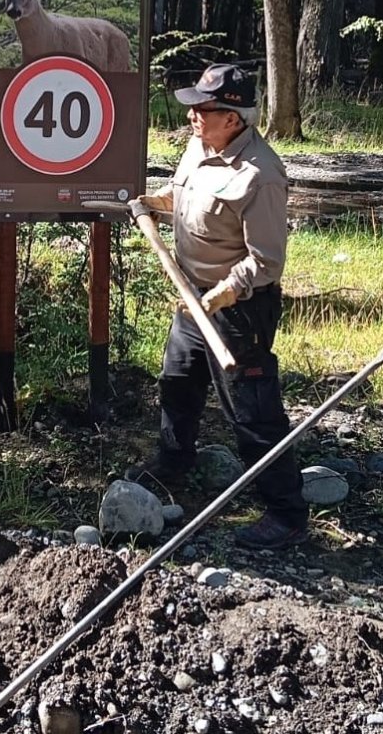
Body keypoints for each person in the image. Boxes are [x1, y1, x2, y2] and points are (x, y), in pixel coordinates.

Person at [126, 62, 308, 549]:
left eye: (203, 110)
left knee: (251, 410)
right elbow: (187, 197)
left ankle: (285, 511)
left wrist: (224, 292)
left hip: (238, 311)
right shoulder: (199, 146)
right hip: (193, 300)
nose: (192, 117)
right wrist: (155, 203)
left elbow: (266, 262)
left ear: (234, 118)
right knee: (177, 384)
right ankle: (174, 462)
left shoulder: (261, 175)